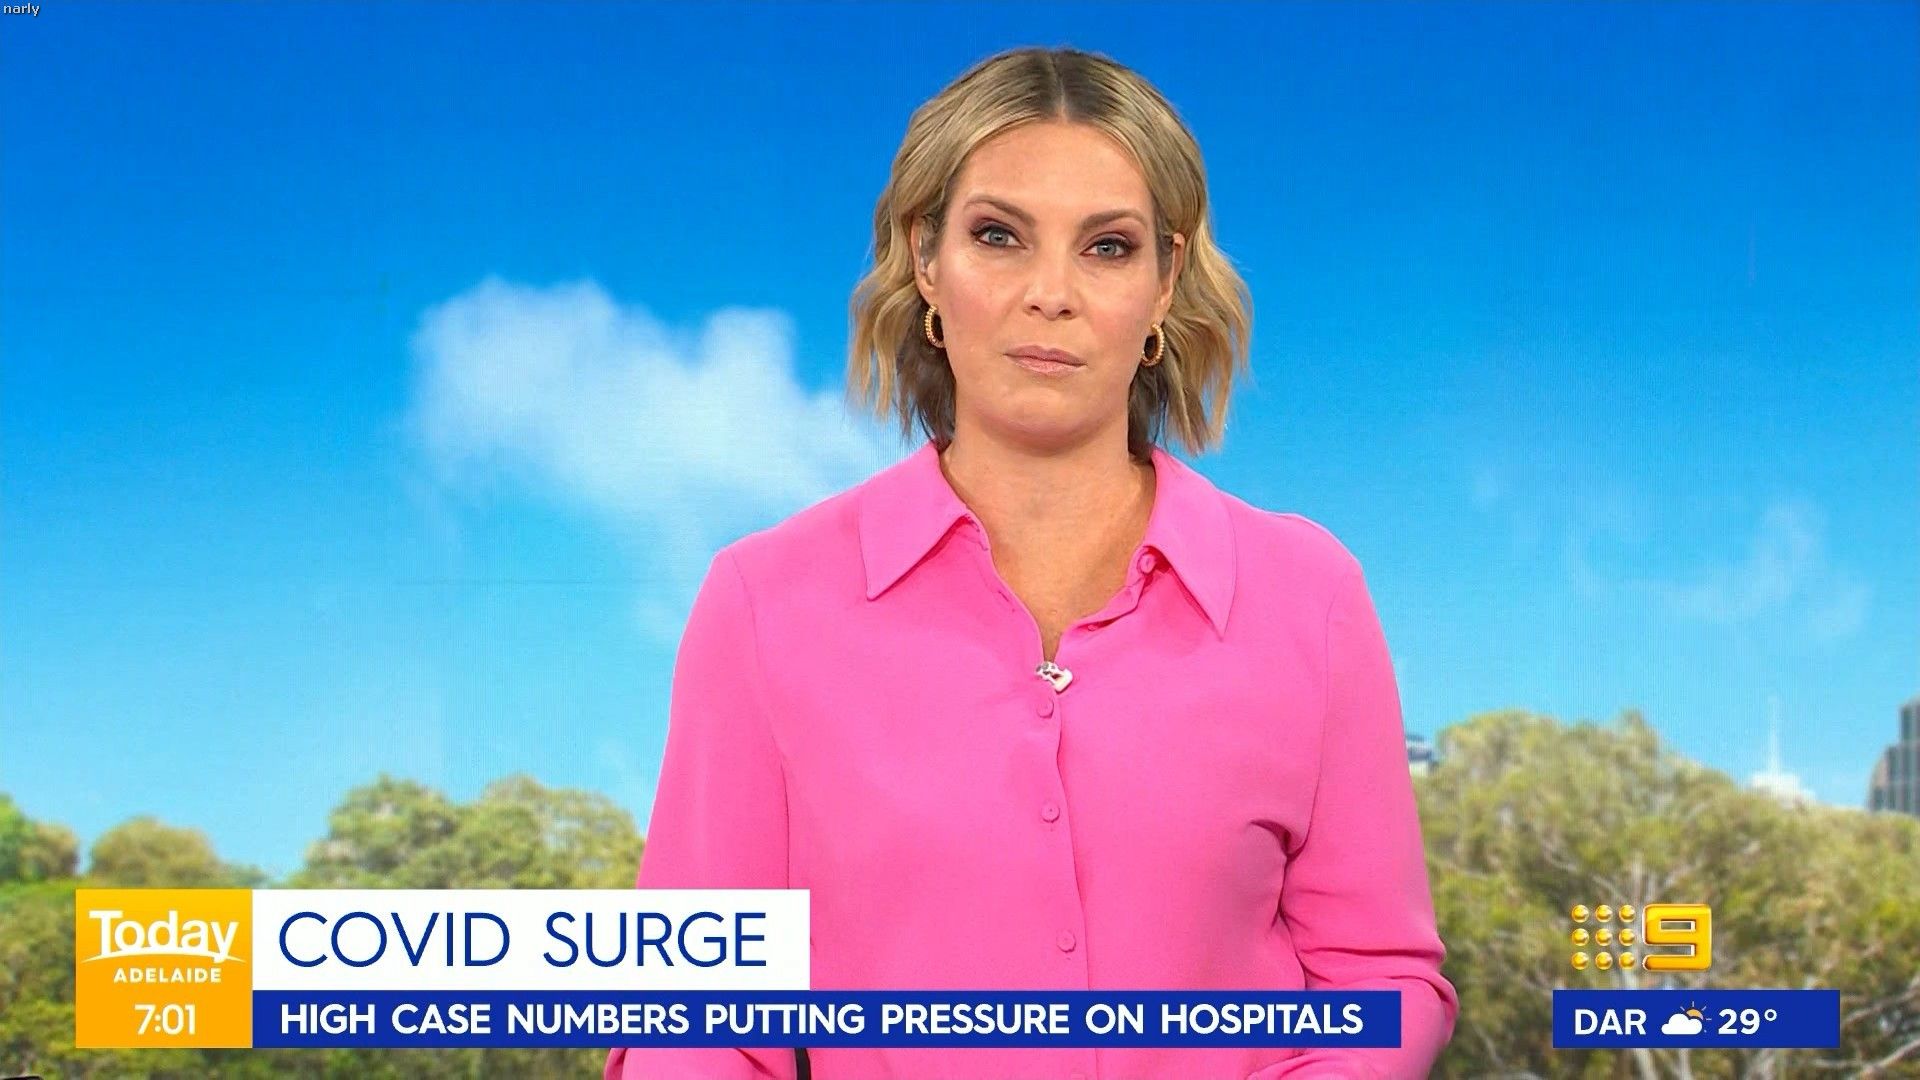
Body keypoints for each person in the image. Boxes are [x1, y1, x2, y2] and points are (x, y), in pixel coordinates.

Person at [606, 44, 1458, 1080]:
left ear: (1165, 282)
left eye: (1107, 247)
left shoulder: (1308, 596)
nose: (1051, 293)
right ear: (926, 257)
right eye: (999, 236)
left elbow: (1379, 979)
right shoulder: (763, 604)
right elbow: (692, 1027)